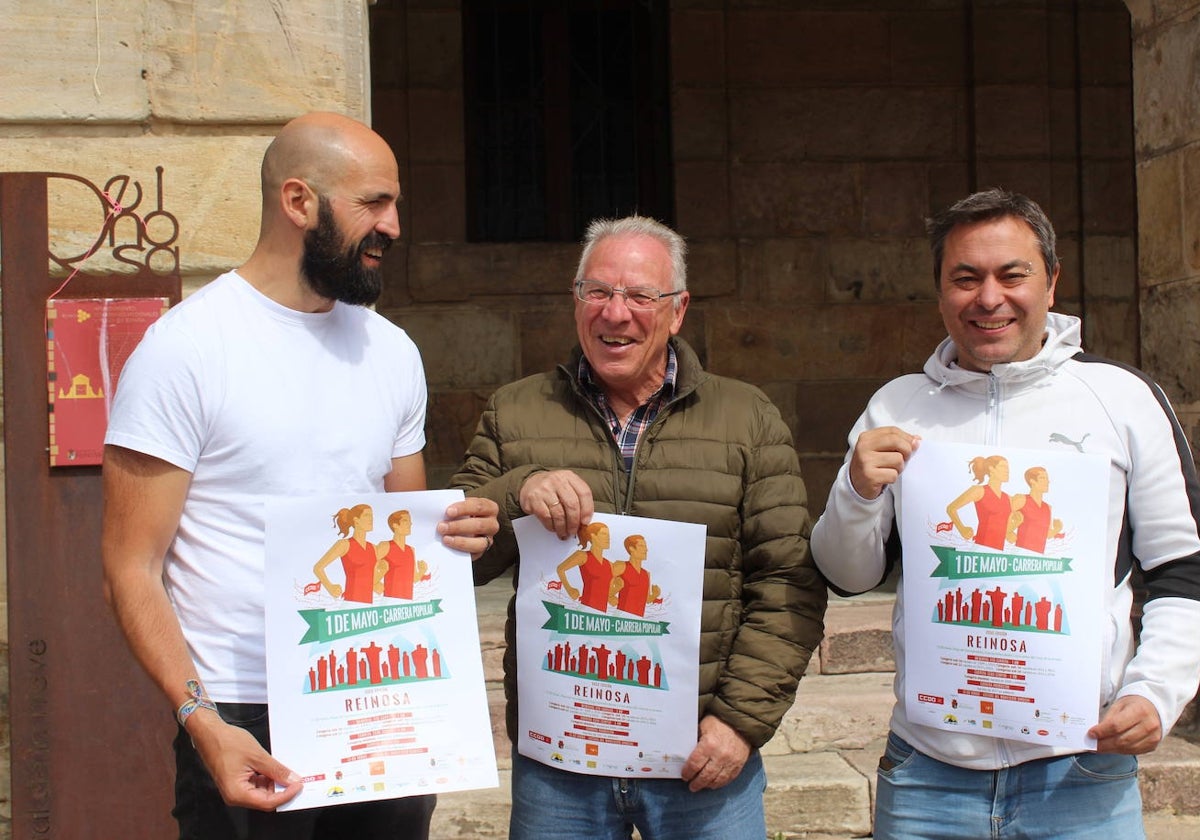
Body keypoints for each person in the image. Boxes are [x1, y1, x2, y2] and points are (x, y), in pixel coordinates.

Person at [100, 111, 499, 840]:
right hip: (246, 714)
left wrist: (458, 532)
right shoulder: (185, 350)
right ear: (298, 202)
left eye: (395, 203)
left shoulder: (392, 353)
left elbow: (400, 535)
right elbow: (132, 566)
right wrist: (201, 720)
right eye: (374, 203)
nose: (395, 225)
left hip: (376, 699)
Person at [810, 188, 1200, 839]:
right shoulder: (898, 406)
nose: (988, 298)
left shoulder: (1121, 401)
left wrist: (1155, 691)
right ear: (940, 292)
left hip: (1081, 772)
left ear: (1051, 281)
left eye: (1010, 274)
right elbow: (848, 576)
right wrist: (855, 492)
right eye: (965, 279)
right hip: (928, 777)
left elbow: (1184, 573)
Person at [450, 214, 827, 840]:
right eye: (596, 292)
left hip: (699, 761)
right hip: (560, 763)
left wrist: (739, 722)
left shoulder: (747, 417)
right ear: (576, 303)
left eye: (638, 295)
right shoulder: (515, 410)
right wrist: (516, 493)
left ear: (677, 311)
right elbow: (456, 559)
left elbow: (788, 581)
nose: (614, 313)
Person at [313, 504, 377, 603]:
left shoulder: (373, 548)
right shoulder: (344, 545)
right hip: (351, 603)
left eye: (372, 516)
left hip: (369, 606)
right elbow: (318, 568)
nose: (371, 519)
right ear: (356, 520)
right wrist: (330, 587)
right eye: (367, 515)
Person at [944, 454, 1010, 550]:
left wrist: (1011, 531)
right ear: (991, 468)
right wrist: (962, 529)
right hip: (981, 549)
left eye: (1008, 467)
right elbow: (951, 508)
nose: (1007, 470)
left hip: (999, 553)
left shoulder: (1008, 498)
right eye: (1003, 467)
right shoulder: (979, 491)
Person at [554, 521, 616, 612]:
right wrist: (569, 589)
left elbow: (608, 590)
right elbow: (560, 569)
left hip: (602, 613)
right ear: (593, 536)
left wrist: (612, 597)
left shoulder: (610, 564)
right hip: (586, 609)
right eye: (604, 534)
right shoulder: (582, 556)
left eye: (608, 535)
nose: (608, 538)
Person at [1007, 466, 1063, 553]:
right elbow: (1001, 518)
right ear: (1032, 481)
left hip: (1038, 557)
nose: (1047, 482)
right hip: (1020, 554)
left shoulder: (1047, 507)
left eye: (1047, 478)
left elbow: (1045, 533)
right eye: (1043, 478)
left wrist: (1056, 529)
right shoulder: (1021, 500)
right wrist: (1009, 532)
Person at [376, 509, 428, 599]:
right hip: (390, 601)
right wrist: (377, 585)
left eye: (410, 521)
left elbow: (414, 578)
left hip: (407, 602)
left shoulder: (411, 550)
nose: (410, 524)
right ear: (395, 525)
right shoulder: (385, 546)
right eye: (405, 521)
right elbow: (367, 569)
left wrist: (422, 571)